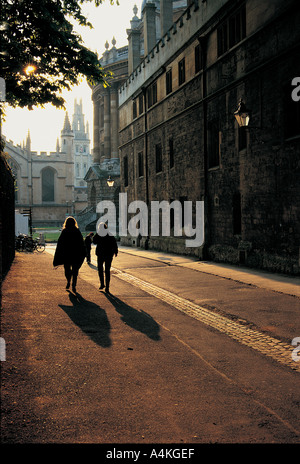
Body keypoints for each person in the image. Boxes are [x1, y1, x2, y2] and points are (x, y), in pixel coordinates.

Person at [53, 216, 86, 292]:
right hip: (75, 254)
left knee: (67, 269)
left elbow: (60, 243)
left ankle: (68, 280)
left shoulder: (64, 231)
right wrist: (84, 253)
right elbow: (81, 243)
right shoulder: (77, 231)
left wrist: (59, 254)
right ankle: (74, 284)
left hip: (67, 254)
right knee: (75, 270)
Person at [93, 222, 118, 293]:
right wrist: (115, 252)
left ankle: (102, 284)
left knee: (100, 269)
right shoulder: (109, 233)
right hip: (109, 254)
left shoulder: (98, 234)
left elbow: (94, 241)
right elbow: (114, 243)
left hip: (101, 254)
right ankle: (107, 287)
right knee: (107, 270)